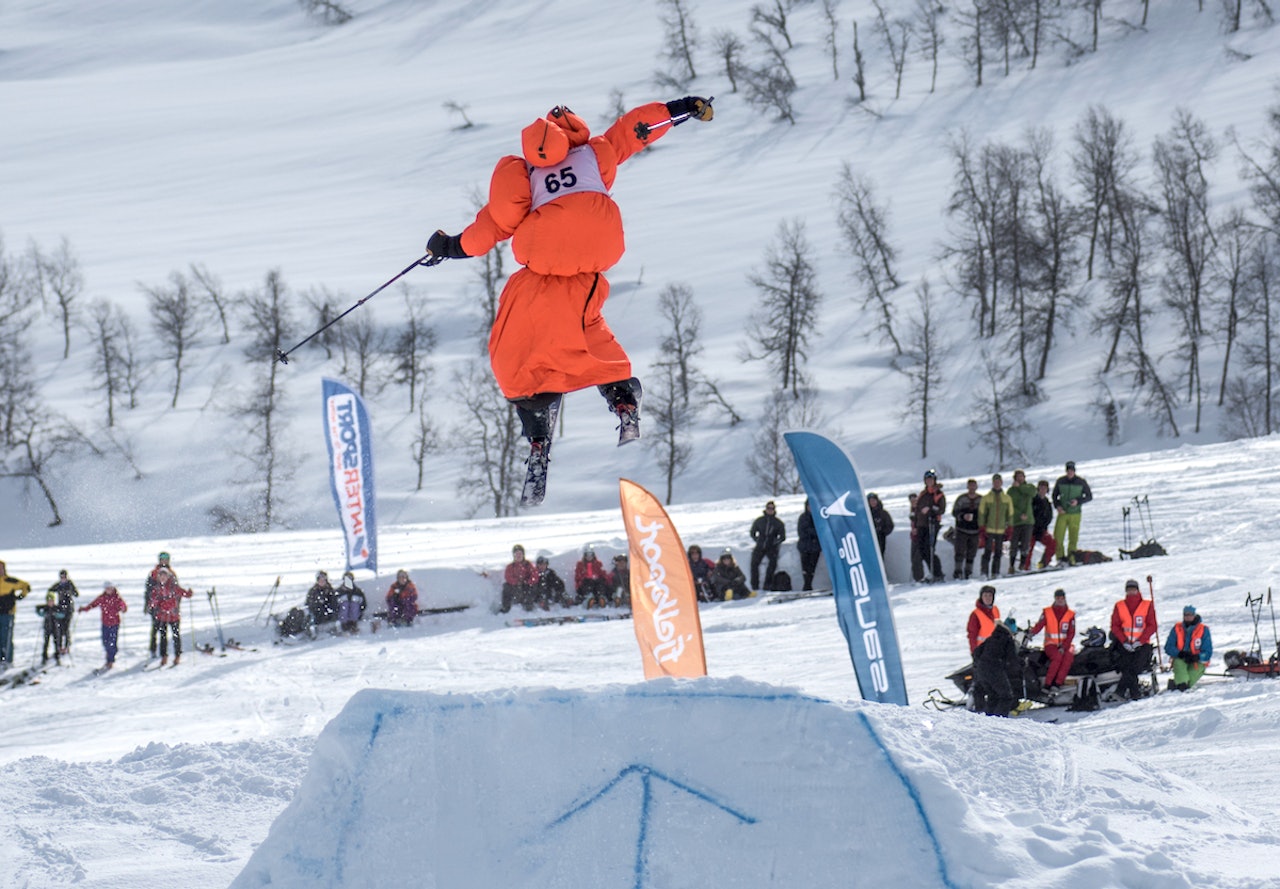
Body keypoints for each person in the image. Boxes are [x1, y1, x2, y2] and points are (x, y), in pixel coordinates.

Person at [423, 96, 714, 504]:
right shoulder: (595, 154)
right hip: (595, 254)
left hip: (543, 262)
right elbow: (635, 131)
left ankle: (537, 428)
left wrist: (449, 247)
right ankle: (622, 395)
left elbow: (492, 227)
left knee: (515, 346)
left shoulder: (522, 173)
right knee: (586, 326)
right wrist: (680, 109)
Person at [1110, 578, 1158, 701]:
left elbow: (1152, 625)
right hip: (1125, 644)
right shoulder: (1120, 606)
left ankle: (1120, 691)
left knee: (1135, 667)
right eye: (1129, 590)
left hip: (1142, 644)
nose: (1131, 592)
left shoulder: (1147, 605)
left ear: (1138, 590)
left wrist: (1140, 641)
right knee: (1125, 666)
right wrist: (1124, 641)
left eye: (1133, 589)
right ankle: (1135, 694)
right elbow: (1115, 626)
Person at [971, 620, 1021, 717]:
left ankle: (988, 719)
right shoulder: (1007, 639)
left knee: (993, 695)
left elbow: (976, 652)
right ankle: (999, 719)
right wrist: (1021, 664)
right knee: (1006, 696)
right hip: (995, 668)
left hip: (981, 669)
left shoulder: (991, 638)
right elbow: (1012, 658)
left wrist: (979, 664)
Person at [1028, 588, 1076, 690]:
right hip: (1051, 644)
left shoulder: (1070, 614)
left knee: (1068, 657)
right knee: (1057, 657)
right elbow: (1040, 625)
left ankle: (1058, 683)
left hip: (1065, 644)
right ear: (1055, 599)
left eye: (1062, 598)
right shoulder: (1047, 612)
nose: (1060, 600)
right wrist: (1031, 633)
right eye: (1058, 598)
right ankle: (1048, 684)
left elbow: (1071, 633)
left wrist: (1064, 646)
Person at [80, 582, 128, 671]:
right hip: (105, 623)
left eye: (110, 588)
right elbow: (93, 604)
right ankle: (110, 654)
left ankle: (110, 661)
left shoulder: (117, 598)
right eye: (107, 588)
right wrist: (84, 609)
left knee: (112, 642)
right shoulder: (102, 597)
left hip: (114, 623)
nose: (108, 590)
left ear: (113, 588)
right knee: (105, 642)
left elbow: (124, 606)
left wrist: (123, 608)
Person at [1052, 461, 1093, 566]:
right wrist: (1058, 506)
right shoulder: (1060, 481)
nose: (1070, 472)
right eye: (1068, 470)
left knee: (1073, 537)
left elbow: (1089, 496)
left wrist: (1078, 501)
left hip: (1075, 513)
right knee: (1058, 536)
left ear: (1074, 471)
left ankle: (1072, 556)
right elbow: (1054, 496)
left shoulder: (1081, 482)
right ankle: (1060, 557)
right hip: (1063, 513)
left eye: (1071, 470)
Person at [150, 567, 192, 666]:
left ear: (168, 576)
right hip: (162, 616)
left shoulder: (174, 587)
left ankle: (177, 655)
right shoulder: (156, 588)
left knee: (176, 636)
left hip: (174, 616)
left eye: (164, 576)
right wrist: (154, 604)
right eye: (161, 576)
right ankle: (164, 656)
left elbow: (183, 593)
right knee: (163, 637)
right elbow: (153, 601)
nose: (162, 578)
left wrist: (188, 593)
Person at [1164, 605, 1213, 691]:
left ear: (1194, 615)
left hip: (1197, 660)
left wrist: (1197, 657)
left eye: (1190, 614)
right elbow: (1168, 647)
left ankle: (1178, 685)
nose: (1188, 617)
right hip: (1181, 657)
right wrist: (1180, 653)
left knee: (1194, 672)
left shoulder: (1203, 629)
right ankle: (1182, 686)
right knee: (1179, 664)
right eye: (1185, 614)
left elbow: (1208, 651)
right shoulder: (1177, 628)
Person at [911, 470, 946, 582]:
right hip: (921, 525)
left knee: (929, 550)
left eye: (931, 479)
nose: (929, 481)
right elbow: (917, 509)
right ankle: (931, 573)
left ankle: (937, 573)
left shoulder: (938, 494)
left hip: (932, 524)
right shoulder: (923, 494)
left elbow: (941, 509)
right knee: (922, 550)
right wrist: (915, 524)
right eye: (927, 479)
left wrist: (930, 509)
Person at [978, 473, 1014, 579]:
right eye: (995, 482)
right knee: (987, 552)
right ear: (993, 483)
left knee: (998, 552)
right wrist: (982, 527)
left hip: (1001, 530)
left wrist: (1010, 527)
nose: (997, 484)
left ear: (1001, 483)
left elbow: (1010, 514)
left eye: (998, 482)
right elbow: (981, 513)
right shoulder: (986, 498)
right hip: (989, 529)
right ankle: (984, 573)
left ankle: (996, 572)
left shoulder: (1007, 498)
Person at [144, 551, 176, 659]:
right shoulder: (154, 573)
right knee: (155, 629)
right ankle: (153, 649)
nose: (164, 561)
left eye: (166, 559)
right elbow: (148, 590)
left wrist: (175, 604)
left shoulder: (172, 573)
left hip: (168, 607)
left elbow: (175, 590)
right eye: (162, 559)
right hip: (156, 605)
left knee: (164, 631)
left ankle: (163, 652)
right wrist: (148, 604)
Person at [749, 501, 786, 592]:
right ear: (765, 509)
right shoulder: (759, 520)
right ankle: (754, 586)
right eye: (768, 508)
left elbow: (782, 537)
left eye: (772, 508)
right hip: (760, 546)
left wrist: (775, 542)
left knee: (772, 564)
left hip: (771, 547)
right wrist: (757, 539)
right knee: (754, 564)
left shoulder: (778, 523)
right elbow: (752, 532)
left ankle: (767, 585)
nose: (770, 510)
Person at [0, 560, 31, 665]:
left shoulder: (11, 581)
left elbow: (26, 586)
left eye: (1, 568)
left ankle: (7, 660)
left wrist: (21, 596)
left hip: (8, 613)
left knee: (6, 637)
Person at [1006, 470, 1037, 575]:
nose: (1020, 478)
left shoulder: (1029, 487)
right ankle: (1011, 565)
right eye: (1018, 477)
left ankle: (1023, 565)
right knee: (1014, 544)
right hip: (1016, 521)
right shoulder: (1011, 491)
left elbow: (1033, 493)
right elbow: (1010, 505)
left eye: (1021, 476)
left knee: (1025, 544)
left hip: (1028, 521)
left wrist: (1020, 487)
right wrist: (1019, 514)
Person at [950, 479, 981, 581]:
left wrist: (977, 518)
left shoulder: (981, 499)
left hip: (975, 530)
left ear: (976, 487)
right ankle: (957, 572)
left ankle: (968, 572)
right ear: (967, 487)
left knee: (972, 553)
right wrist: (963, 516)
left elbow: (985, 513)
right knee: (959, 551)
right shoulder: (961, 499)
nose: (972, 488)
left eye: (973, 486)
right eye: (970, 486)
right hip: (962, 529)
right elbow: (954, 512)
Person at [1024, 479, 1058, 570]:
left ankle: (1044, 563)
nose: (1043, 490)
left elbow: (1049, 517)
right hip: (1031, 530)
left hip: (1042, 530)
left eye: (1045, 488)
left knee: (1052, 543)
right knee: (1028, 548)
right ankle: (1025, 567)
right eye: (1041, 488)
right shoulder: (1033, 500)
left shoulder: (1047, 502)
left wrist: (1043, 528)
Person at [47, 569, 79, 656]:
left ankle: (67, 646)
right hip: (60, 608)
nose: (63, 578)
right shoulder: (59, 585)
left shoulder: (70, 584)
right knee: (59, 628)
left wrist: (70, 592)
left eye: (64, 577)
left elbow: (76, 594)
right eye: (61, 577)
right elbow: (50, 590)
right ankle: (60, 647)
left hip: (69, 609)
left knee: (66, 628)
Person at [501, 544, 539, 613]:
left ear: (523, 554)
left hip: (526, 587)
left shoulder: (528, 564)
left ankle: (529, 607)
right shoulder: (510, 566)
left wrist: (528, 581)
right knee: (506, 586)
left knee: (532, 587)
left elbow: (535, 575)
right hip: (515, 588)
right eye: (516, 554)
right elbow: (508, 577)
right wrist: (516, 582)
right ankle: (506, 607)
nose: (518, 556)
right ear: (514, 555)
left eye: (520, 553)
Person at [966, 584, 1002, 654]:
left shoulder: (995, 610)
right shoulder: (975, 614)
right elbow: (972, 635)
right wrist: (975, 652)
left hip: (996, 649)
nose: (988, 598)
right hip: (982, 651)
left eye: (990, 595)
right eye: (985, 595)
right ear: (981, 597)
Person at [35, 590, 68, 666]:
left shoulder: (56, 608)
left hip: (55, 627)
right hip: (47, 628)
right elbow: (40, 613)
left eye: (52, 601)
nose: (50, 602)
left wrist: (56, 614)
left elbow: (62, 615)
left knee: (56, 643)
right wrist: (43, 613)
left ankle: (57, 656)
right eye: (49, 601)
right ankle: (44, 657)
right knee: (46, 643)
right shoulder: (45, 608)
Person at [796, 499, 822, 591]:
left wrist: (811, 532)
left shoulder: (818, 517)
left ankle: (808, 585)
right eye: (809, 506)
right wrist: (812, 532)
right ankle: (807, 585)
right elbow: (801, 532)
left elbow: (820, 531)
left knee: (812, 568)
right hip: (804, 546)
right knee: (805, 568)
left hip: (815, 547)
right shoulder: (803, 517)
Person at [866, 492, 894, 558]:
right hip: (869, 540)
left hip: (880, 539)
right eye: (870, 501)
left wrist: (882, 531)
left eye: (874, 500)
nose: (872, 502)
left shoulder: (883, 513)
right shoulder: (866, 514)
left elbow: (890, 525)